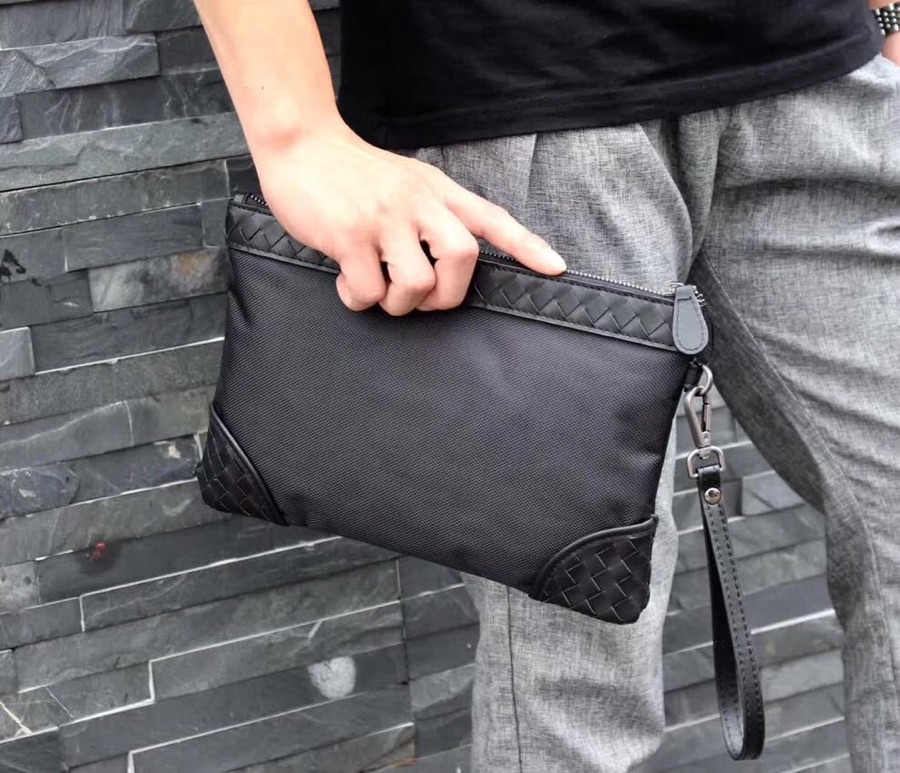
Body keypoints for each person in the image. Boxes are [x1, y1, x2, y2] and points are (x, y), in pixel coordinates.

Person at [192, 1, 900, 770]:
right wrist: (297, 134)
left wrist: (888, 18)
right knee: (579, 665)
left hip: (820, 74)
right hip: (528, 96)